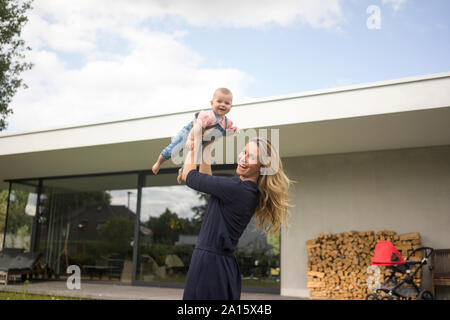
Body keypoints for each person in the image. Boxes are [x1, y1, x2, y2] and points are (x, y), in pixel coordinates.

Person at [180, 136, 292, 300]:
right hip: (221, 266)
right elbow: (205, 180)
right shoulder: (246, 191)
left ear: (262, 167)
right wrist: (207, 147)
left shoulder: (236, 189)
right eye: (244, 152)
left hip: (209, 266)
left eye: (251, 157)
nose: (243, 158)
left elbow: (190, 177)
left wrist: (194, 144)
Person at [151, 88, 239, 177]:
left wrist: (232, 131)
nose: (223, 105)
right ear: (212, 103)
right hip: (188, 133)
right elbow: (196, 127)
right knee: (174, 148)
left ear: (231, 106)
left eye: (227, 103)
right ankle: (158, 163)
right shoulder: (207, 116)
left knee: (195, 157)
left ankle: (181, 172)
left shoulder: (227, 123)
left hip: (201, 140)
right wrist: (190, 139)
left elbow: (223, 133)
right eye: (219, 101)